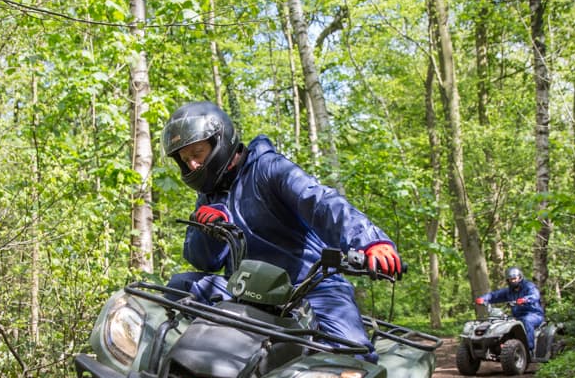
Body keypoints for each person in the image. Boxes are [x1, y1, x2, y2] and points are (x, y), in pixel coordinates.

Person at [161, 100, 401, 360]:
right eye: (186, 160)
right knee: (178, 287)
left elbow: (321, 203)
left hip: (310, 288)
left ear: (220, 141)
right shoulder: (209, 195)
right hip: (245, 292)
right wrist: (206, 230)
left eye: (197, 153)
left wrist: (370, 242)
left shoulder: (269, 169)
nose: (193, 165)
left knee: (354, 357)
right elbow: (202, 261)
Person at [475, 266, 544, 353]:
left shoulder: (529, 286)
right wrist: (483, 299)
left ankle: (529, 349)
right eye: (511, 279)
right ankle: (500, 347)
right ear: (508, 280)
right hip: (517, 317)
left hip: (533, 314)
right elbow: (494, 295)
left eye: (515, 278)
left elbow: (535, 296)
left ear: (520, 277)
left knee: (526, 321)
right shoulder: (508, 291)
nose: (513, 281)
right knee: (502, 323)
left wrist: (525, 300)